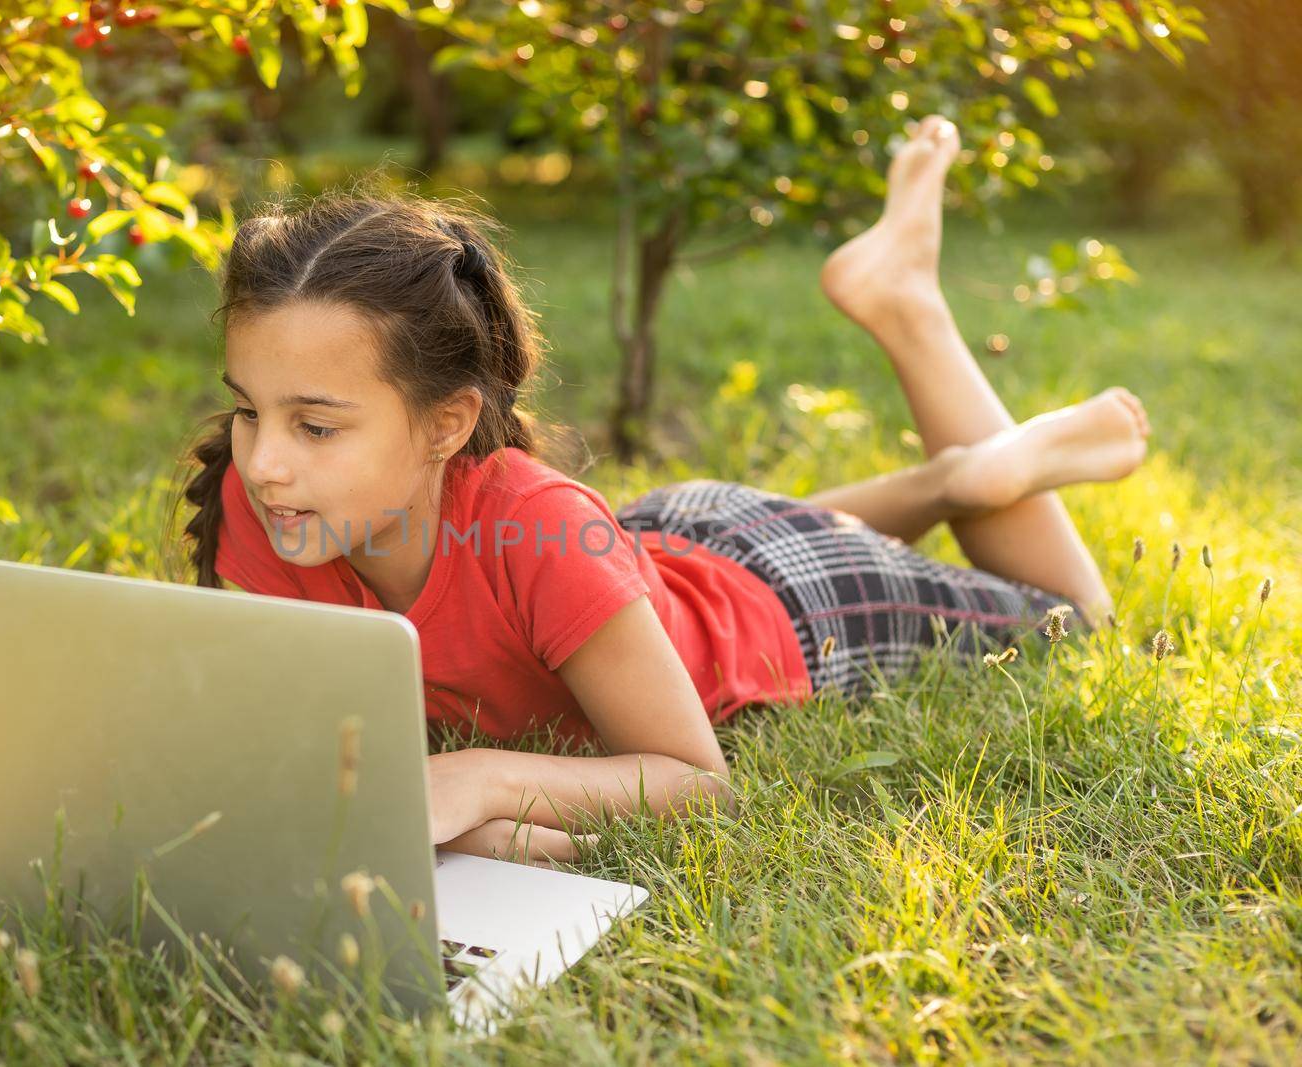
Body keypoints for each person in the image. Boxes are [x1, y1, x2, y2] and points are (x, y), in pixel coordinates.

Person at [176, 115, 1149, 868]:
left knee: (1078, 617)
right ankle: (950, 477)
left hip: (784, 602)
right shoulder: (273, 512)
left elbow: (695, 783)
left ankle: (920, 330)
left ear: (445, 422)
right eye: (251, 411)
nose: (263, 460)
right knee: (654, 550)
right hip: (651, 548)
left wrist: (472, 779)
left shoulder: (536, 526)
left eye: (316, 423)